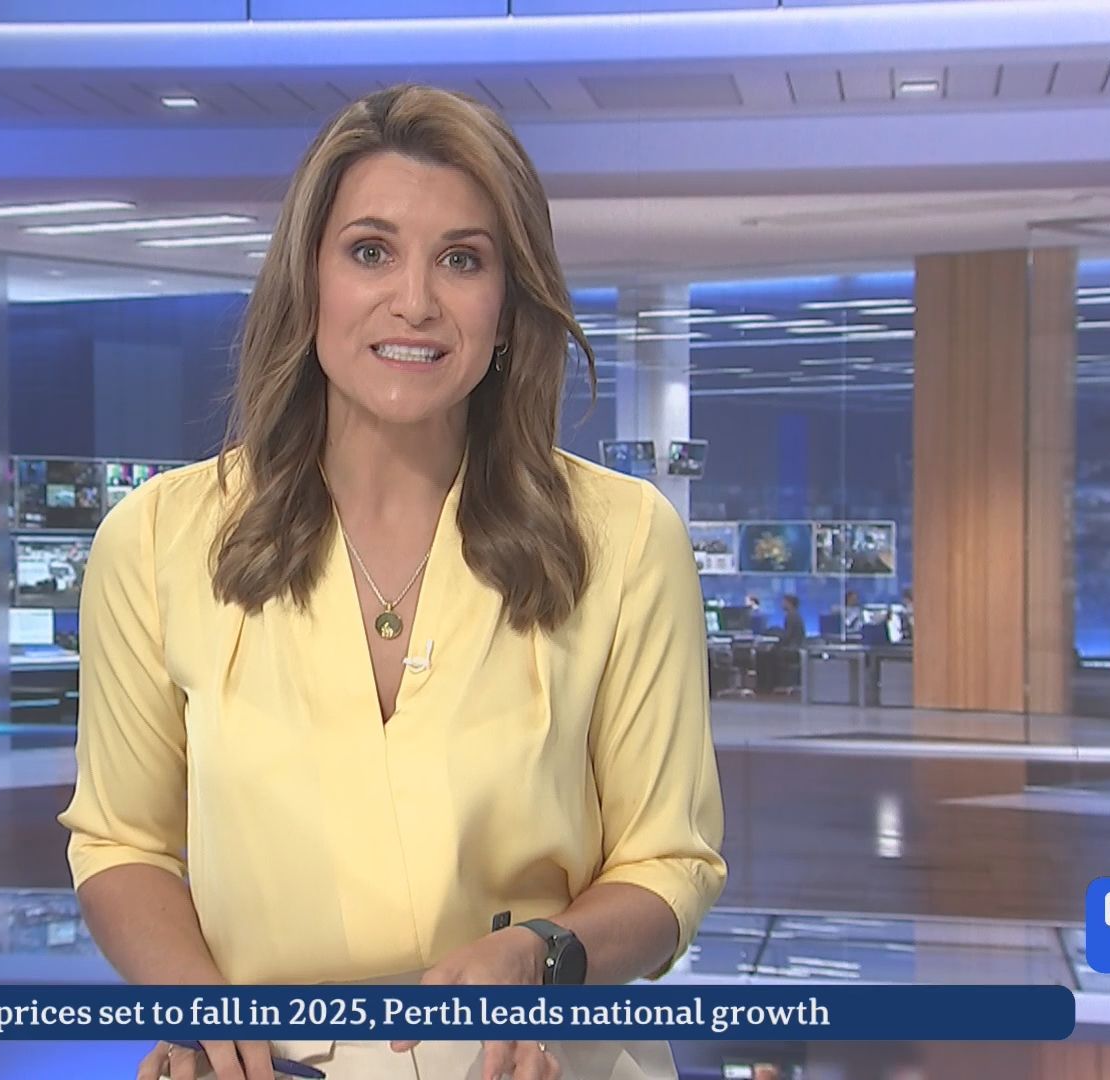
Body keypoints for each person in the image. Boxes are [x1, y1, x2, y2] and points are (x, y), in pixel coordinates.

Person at [60, 84, 726, 1080]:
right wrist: (199, 1004)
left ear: (508, 307)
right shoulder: (157, 540)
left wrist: (543, 955)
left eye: (462, 260)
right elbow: (122, 845)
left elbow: (668, 863)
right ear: (309, 281)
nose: (415, 300)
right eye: (371, 252)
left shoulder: (625, 541)